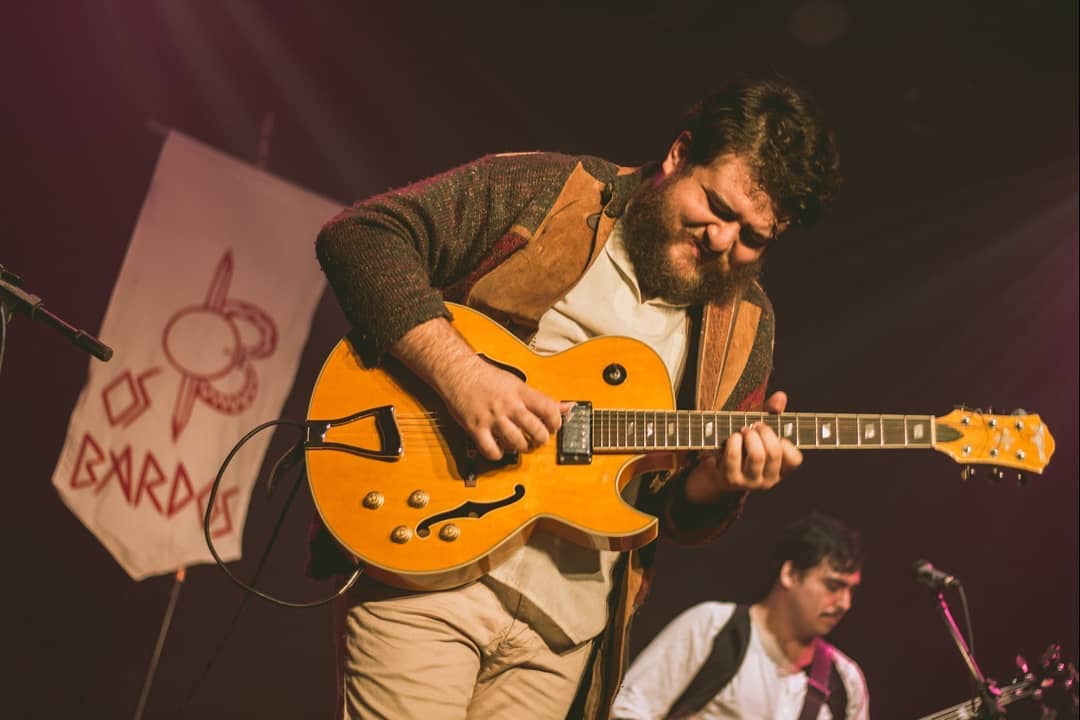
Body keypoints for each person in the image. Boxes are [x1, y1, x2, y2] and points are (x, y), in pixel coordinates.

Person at [310, 76, 841, 719]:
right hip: (431, 565)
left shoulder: (747, 325)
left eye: (753, 236)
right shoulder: (551, 190)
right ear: (678, 155)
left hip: (564, 631)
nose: (724, 241)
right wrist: (463, 376)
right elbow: (361, 237)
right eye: (717, 207)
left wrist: (722, 482)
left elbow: (673, 514)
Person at [610, 512, 869, 720]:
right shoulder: (713, 626)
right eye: (833, 586)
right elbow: (627, 710)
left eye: (852, 590)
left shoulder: (846, 682)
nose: (845, 603)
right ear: (789, 574)